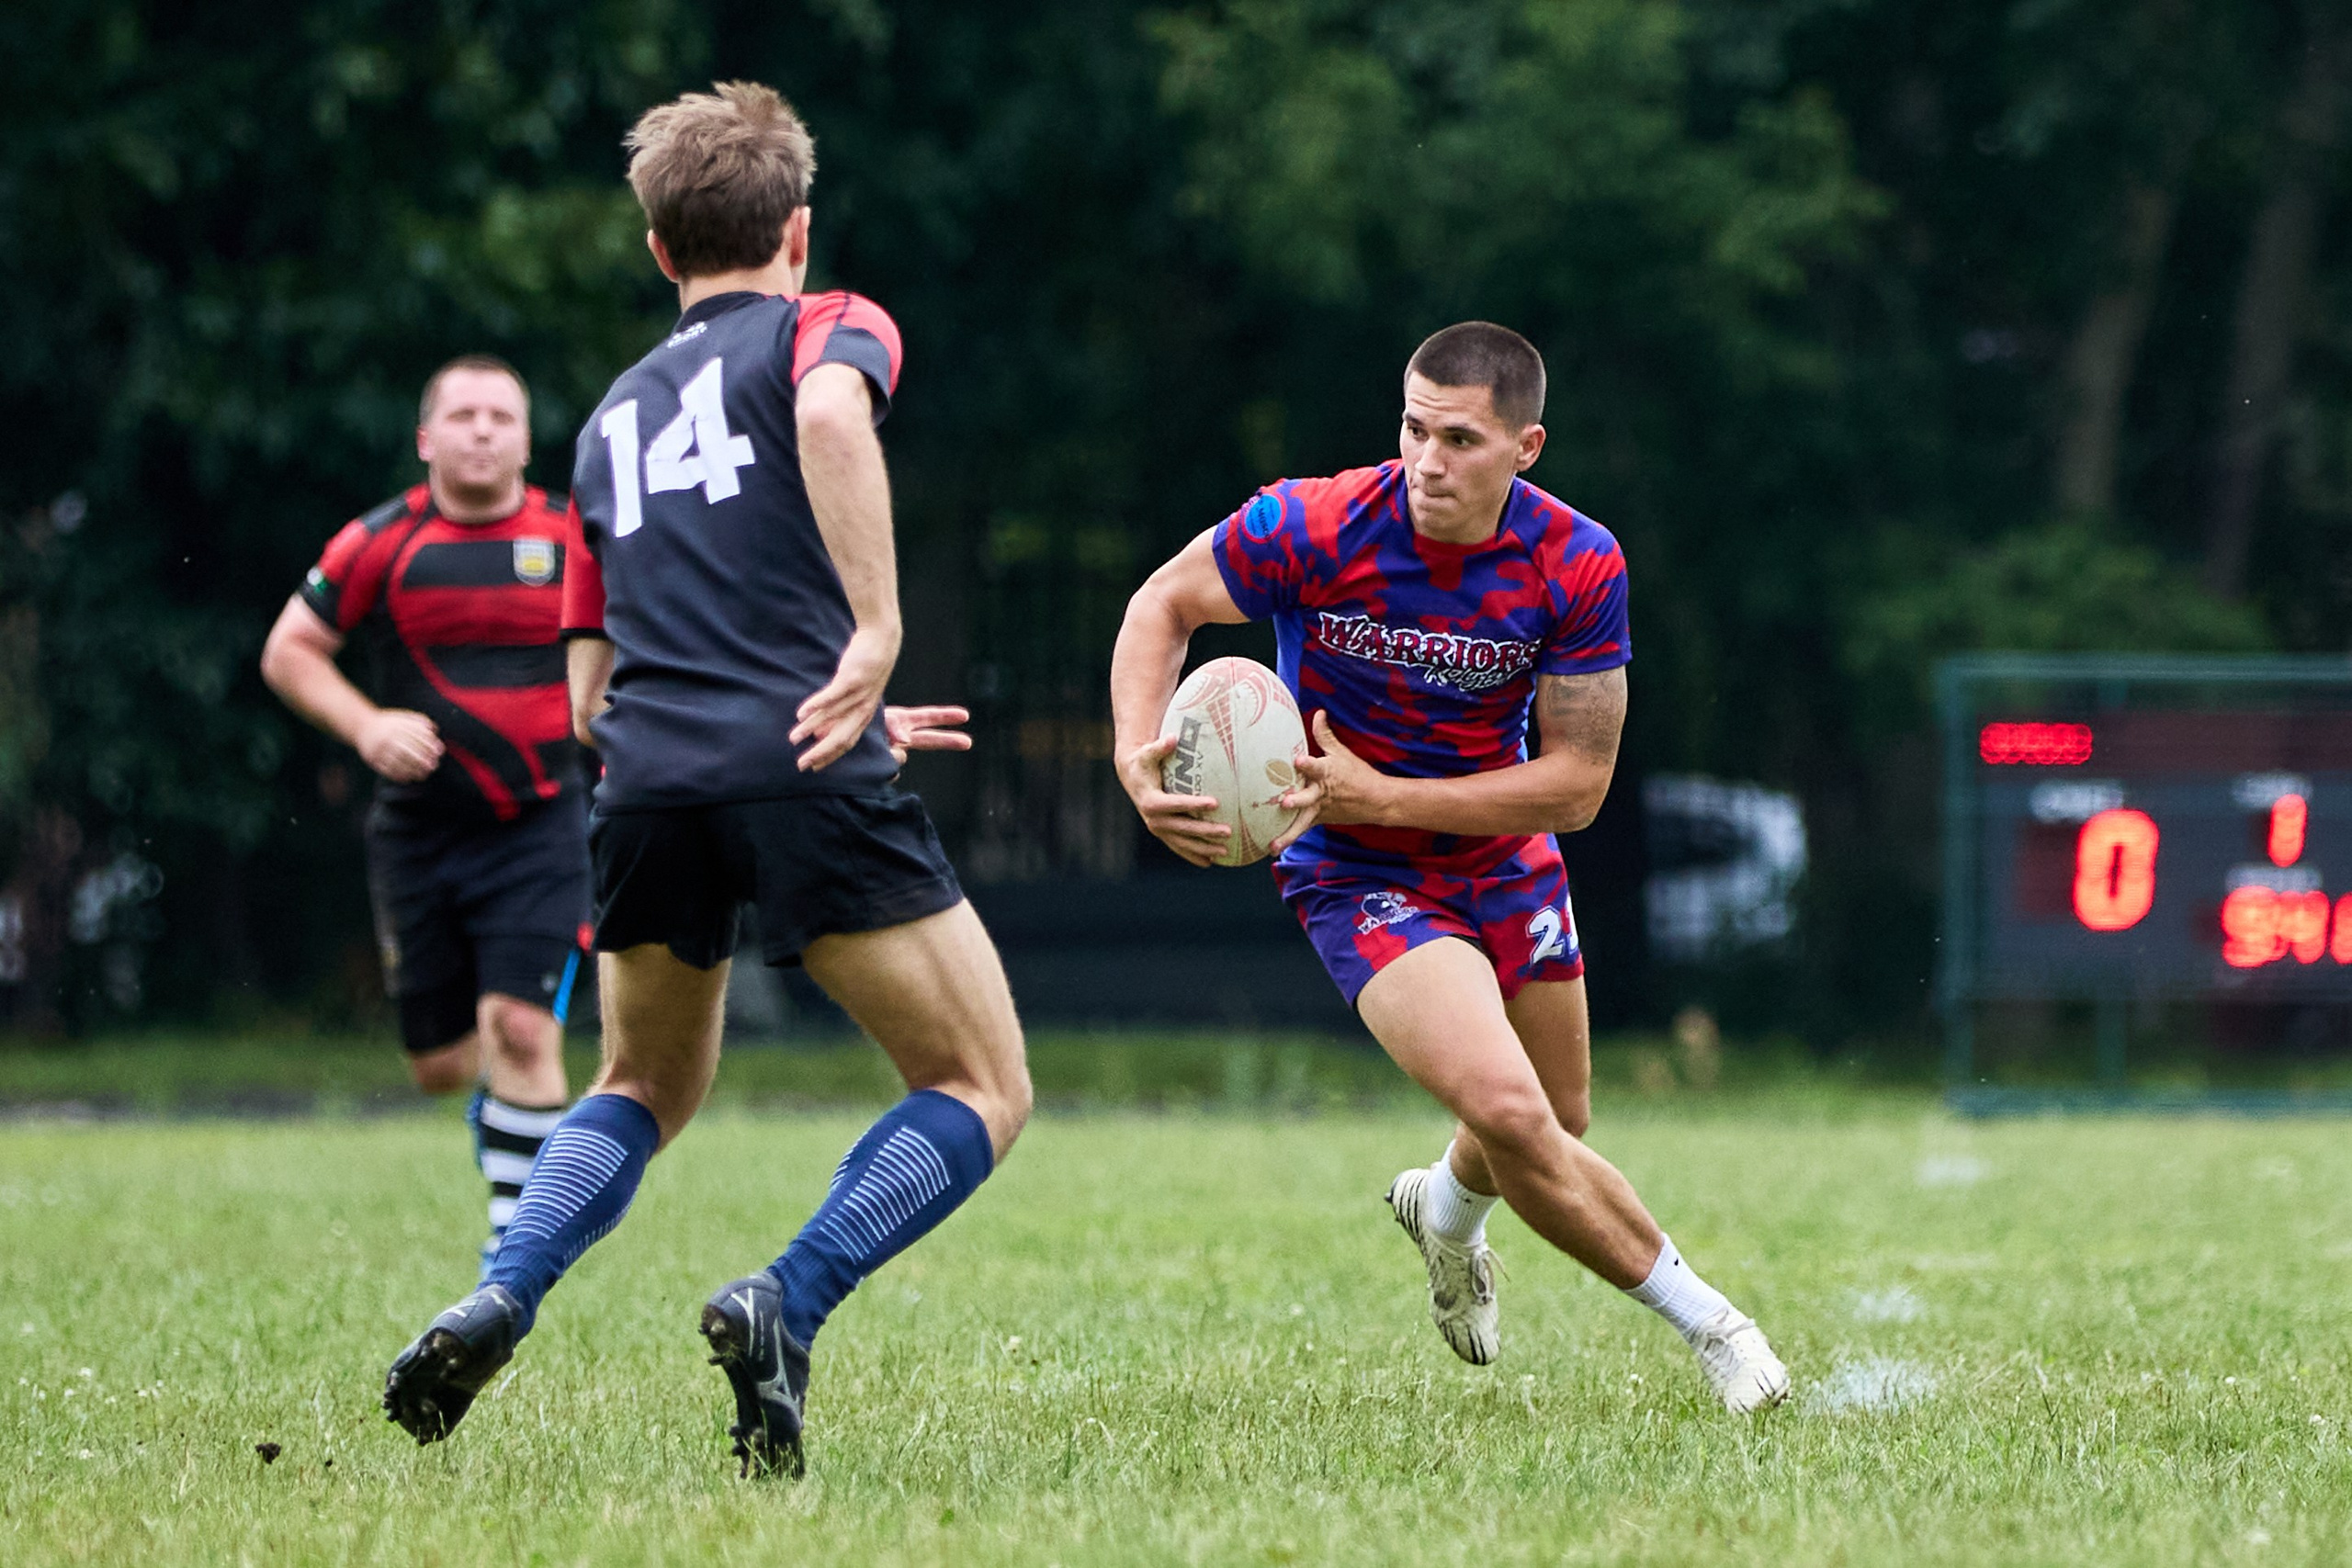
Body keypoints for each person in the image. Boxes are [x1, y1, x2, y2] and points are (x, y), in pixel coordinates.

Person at [380, 82, 1032, 1479]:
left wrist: (772, 706)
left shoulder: (607, 417)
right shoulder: (826, 324)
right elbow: (833, 420)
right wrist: (868, 637)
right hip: (799, 764)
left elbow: (583, 694)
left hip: (651, 782)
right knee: (980, 1081)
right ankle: (785, 1300)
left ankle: (505, 1282)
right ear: (795, 230)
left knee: (638, 1081)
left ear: (660, 252)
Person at [1109, 322, 1790, 1414]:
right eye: (1414, 429)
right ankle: (1716, 1328)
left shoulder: (1575, 561)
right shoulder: (1316, 522)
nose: (1428, 461)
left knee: (1553, 1118)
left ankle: (1443, 1215)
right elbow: (1164, 604)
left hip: (1500, 853)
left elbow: (1576, 787)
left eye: (1461, 439)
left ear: (1526, 446)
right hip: (1350, 867)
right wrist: (1132, 758)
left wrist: (1392, 793)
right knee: (1515, 1117)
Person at [260, 355, 584, 1280]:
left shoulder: (575, 538)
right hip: (419, 833)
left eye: (502, 416)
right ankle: (510, 1128)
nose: (483, 430)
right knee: (442, 1064)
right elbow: (289, 651)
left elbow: (648, 643)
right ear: (426, 438)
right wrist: (365, 726)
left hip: (545, 821)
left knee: (521, 1028)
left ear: (526, 438)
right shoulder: (378, 542)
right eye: (464, 415)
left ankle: (516, 1263)